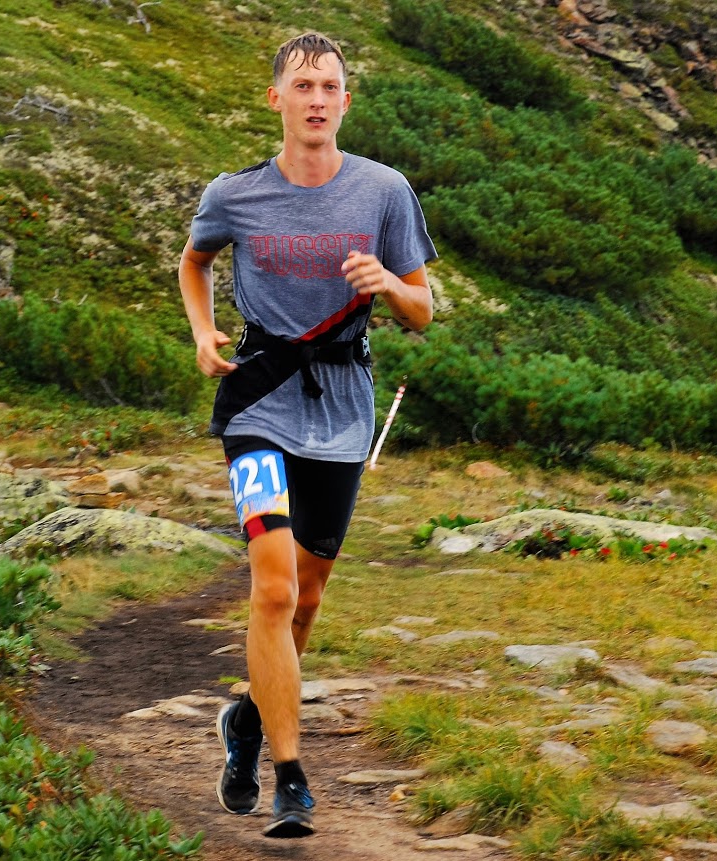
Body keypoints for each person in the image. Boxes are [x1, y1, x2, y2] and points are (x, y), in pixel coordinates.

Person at [177, 31, 436, 839]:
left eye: (329, 87)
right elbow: (194, 260)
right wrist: (203, 332)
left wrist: (388, 282)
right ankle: (290, 776)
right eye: (302, 85)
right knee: (274, 587)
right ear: (277, 99)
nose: (316, 99)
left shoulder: (384, 191)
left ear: (345, 102)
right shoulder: (236, 193)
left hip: (343, 408)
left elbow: (423, 311)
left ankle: (249, 719)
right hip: (258, 403)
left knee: (309, 594)